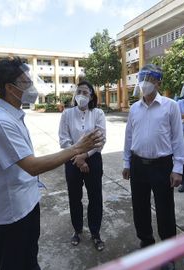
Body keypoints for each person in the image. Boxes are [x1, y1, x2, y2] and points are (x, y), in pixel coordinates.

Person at [0, 57, 103, 270]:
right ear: (10, 88)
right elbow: (32, 166)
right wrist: (76, 149)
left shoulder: (13, 116)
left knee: (29, 260)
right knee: (16, 263)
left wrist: (83, 151)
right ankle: (78, 229)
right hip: (12, 212)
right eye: (26, 82)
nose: (32, 87)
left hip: (26, 204)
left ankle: (94, 231)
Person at [122, 64, 184, 270]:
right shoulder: (134, 108)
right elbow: (129, 136)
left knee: (165, 210)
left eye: (149, 79)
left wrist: (178, 168)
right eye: (142, 79)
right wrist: (126, 162)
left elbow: (177, 138)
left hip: (162, 166)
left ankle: (168, 254)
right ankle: (146, 243)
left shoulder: (170, 106)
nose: (144, 83)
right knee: (139, 207)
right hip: (138, 164)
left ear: (159, 82)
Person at [59, 80, 106, 251]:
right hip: (72, 160)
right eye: (79, 91)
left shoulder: (98, 113)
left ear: (92, 96)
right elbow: (64, 139)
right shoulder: (67, 114)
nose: (82, 95)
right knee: (74, 197)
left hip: (93, 159)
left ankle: (95, 232)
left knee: (95, 197)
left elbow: (100, 139)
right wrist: (77, 158)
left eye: (86, 92)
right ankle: (77, 230)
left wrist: (85, 156)